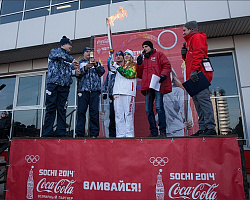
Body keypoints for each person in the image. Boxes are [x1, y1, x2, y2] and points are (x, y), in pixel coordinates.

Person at [181, 21, 216, 136]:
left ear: (191, 29)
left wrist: (195, 70)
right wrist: (184, 55)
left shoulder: (197, 37)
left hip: (199, 75)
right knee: (197, 102)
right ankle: (202, 128)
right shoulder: (189, 40)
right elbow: (190, 59)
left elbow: (199, 54)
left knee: (203, 101)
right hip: (194, 75)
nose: (183, 33)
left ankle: (210, 127)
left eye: (184, 30)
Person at [43, 36, 79, 137]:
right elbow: (61, 55)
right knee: (51, 109)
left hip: (65, 87)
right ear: (63, 44)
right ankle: (47, 133)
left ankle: (61, 133)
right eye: (69, 44)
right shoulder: (55, 52)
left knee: (62, 109)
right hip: (53, 85)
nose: (71, 46)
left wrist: (76, 71)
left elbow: (72, 71)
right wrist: (72, 60)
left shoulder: (68, 59)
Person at [137, 41, 172, 137]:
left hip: (157, 85)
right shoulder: (143, 59)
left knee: (159, 108)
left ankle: (163, 131)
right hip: (147, 87)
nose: (145, 48)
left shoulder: (159, 54)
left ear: (151, 47)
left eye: (146, 46)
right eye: (143, 46)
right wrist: (139, 64)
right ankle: (153, 132)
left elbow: (167, 65)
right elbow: (140, 75)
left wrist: (163, 75)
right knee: (148, 110)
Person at [76, 47, 105, 138]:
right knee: (81, 112)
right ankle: (80, 133)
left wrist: (96, 65)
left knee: (94, 113)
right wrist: (85, 68)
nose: (88, 53)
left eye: (90, 52)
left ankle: (94, 134)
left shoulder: (97, 63)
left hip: (94, 91)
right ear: (83, 53)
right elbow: (77, 75)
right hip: (83, 91)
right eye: (87, 52)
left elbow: (102, 72)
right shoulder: (79, 63)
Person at [112, 49, 137, 137]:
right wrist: (111, 56)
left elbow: (129, 74)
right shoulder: (119, 66)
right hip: (117, 92)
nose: (126, 56)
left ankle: (129, 134)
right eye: (125, 54)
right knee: (119, 115)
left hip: (128, 92)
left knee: (128, 114)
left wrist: (117, 67)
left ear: (131, 56)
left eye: (128, 55)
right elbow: (111, 66)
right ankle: (120, 134)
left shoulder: (134, 66)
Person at [163, 70, 193, 136]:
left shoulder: (178, 91)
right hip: (163, 131)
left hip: (177, 129)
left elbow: (185, 107)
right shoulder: (159, 93)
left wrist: (189, 121)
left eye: (169, 75)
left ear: (172, 76)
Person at [102, 51, 125, 137]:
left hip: (122, 94)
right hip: (112, 95)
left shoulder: (124, 68)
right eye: (117, 56)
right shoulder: (111, 70)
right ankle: (112, 135)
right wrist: (104, 92)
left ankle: (122, 133)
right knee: (112, 116)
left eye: (120, 55)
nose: (118, 57)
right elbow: (106, 82)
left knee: (122, 115)